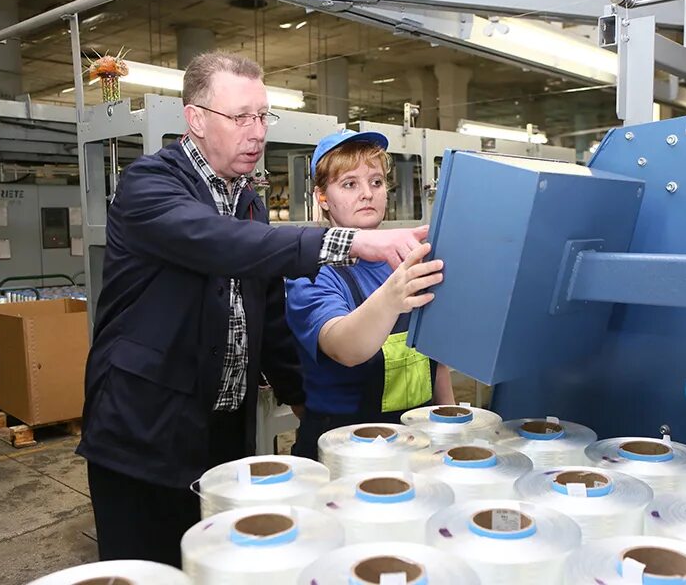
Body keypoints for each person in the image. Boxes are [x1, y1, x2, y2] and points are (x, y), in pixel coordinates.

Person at [76, 52, 431, 568]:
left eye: (263, 116)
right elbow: (218, 242)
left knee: (224, 564)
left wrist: (301, 397)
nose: (257, 131)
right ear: (195, 118)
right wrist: (346, 242)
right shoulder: (149, 185)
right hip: (145, 428)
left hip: (221, 430)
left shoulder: (248, 201)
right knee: (148, 568)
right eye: (241, 117)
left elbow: (266, 310)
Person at [285, 130, 454, 460]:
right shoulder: (310, 271)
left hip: (415, 440)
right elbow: (345, 347)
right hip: (344, 448)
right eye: (349, 184)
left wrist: (450, 428)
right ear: (322, 197)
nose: (367, 194)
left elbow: (437, 363)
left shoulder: (409, 258)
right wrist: (393, 293)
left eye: (376, 182)